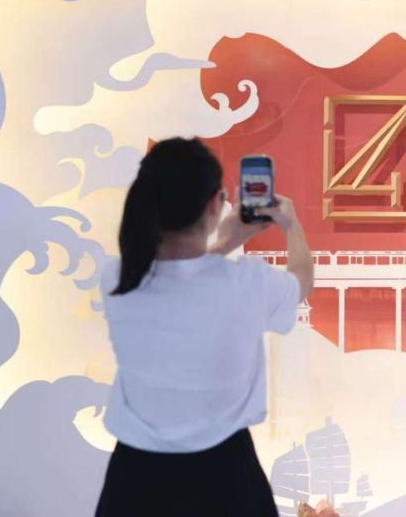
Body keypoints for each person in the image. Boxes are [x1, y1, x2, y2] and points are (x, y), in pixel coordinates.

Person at [94, 137, 313, 516]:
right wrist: (290, 224)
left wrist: (225, 241)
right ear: (215, 204)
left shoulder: (117, 279)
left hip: (133, 482)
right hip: (227, 481)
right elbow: (302, 279)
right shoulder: (247, 284)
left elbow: (180, 273)